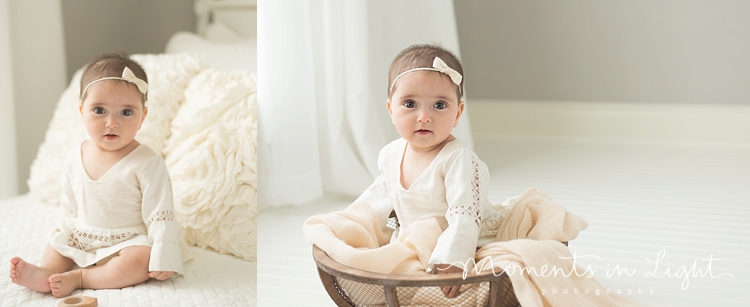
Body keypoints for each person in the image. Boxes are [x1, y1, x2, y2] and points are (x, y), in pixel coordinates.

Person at [9, 53, 183, 298]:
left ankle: (81, 276)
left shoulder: (147, 162)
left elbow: (160, 213)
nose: (111, 122)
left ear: (143, 117)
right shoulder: (75, 156)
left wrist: (165, 255)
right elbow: (69, 205)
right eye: (99, 110)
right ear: (82, 112)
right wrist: (66, 233)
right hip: (84, 233)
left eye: (126, 112)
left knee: (141, 260)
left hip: (127, 239)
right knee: (58, 241)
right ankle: (45, 271)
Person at [353, 44, 500, 298]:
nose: (423, 116)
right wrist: (352, 225)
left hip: (466, 241)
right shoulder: (390, 155)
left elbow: (464, 216)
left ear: (458, 113)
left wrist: (454, 259)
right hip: (416, 240)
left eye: (439, 105)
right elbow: (376, 199)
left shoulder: (458, 159)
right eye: (410, 103)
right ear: (391, 110)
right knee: (383, 265)